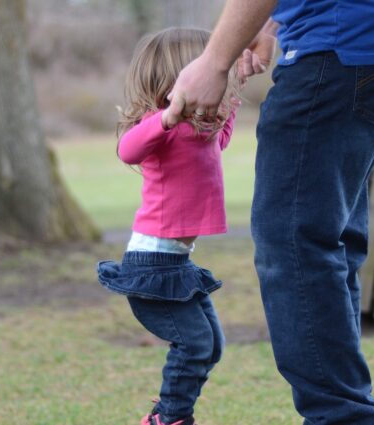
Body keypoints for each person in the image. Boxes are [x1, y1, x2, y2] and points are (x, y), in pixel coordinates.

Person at [166, 1, 374, 424]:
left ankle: (344, 418)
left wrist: (214, 62)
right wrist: (271, 23)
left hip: (337, 44)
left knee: (292, 242)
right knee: (329, 237)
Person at [95, 27, 242, 425]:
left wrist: (234, 91)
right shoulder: (158, 128)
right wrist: (167, 116)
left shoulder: (197, 131)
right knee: (194, 344)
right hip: (151, 264)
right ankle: (171, 418)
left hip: (175, 263)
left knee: (211, 347)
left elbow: (220, 140)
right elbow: (128, 149)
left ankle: (166, 414)